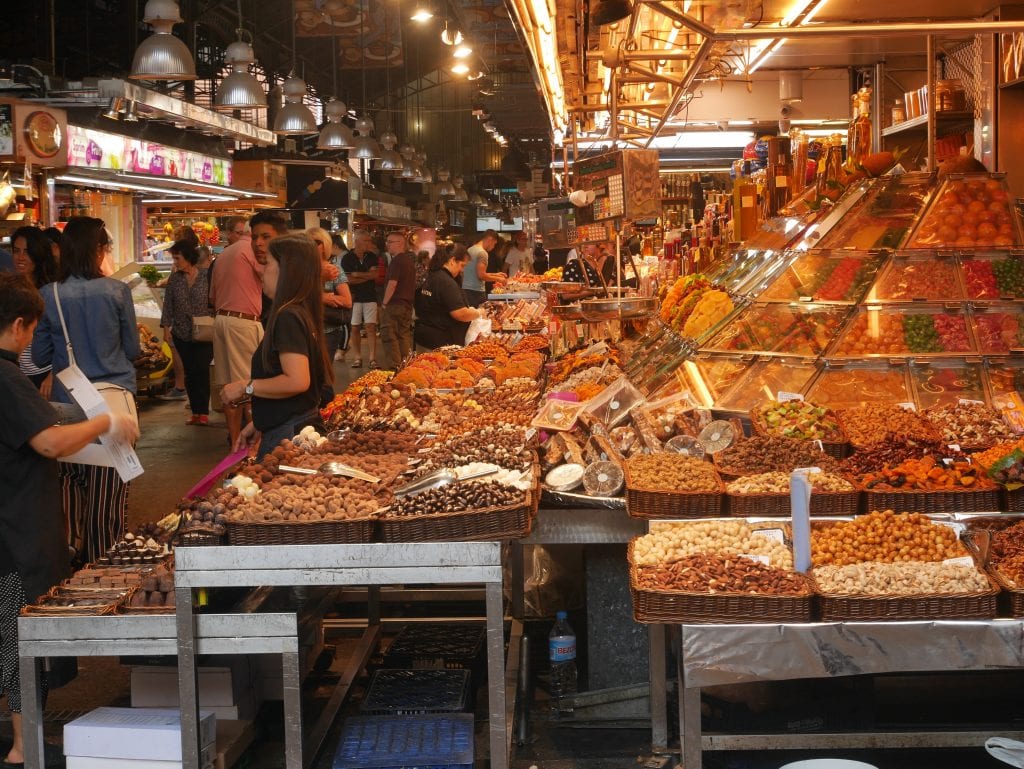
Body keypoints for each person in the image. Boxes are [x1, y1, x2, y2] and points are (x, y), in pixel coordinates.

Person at [0, 273, 139, 768]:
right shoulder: (6, 376)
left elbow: (40, 419)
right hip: (16, 529)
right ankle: (24, 745)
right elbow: (48, 442)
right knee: (20, 637)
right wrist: (104, 422)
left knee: (8, 634)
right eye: (31, 331)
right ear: (19, 326)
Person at [31, 216, 140, 566]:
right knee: (106, 503)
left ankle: (68, 576)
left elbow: (38, 356)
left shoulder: (49, 295)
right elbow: (134, 349)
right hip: (111, 408)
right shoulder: (117, 291)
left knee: (69, 500)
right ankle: (104, 575)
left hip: (67, 410)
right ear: (97, 250)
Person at [221, 235, 333, 460]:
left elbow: (297, 380)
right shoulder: (300, 310)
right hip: (293, 426)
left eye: (268, 263)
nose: (261, 271)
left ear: (286, 270)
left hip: (288, 434)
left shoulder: (288, 316)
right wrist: (261, 422)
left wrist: (245, 387)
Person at [209, 210, 284, 448]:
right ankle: (252, 447)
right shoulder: (250, 251)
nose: (259, 244)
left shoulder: (223, 254)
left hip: (221, 321)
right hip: (243, 322)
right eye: (257, 237)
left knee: (228, 388)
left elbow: (211, 296)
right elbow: (270, 278)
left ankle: (235, 444)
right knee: (249, 387)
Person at [161, 239, 213, 426]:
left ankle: (204, 411)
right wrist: (166, 329)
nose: (175, 262)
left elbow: (215, 299)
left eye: (177, 258)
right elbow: (168, 304)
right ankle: (196, 411)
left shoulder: (207, 275)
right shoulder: (175, 278)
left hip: (204, 332)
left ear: (188, 257)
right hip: (182, 332)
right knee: (190, 372)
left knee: (201, 370)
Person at [11, 226, 58, 396]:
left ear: (38, 255)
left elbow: (65, 335)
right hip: (19, 374)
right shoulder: (12, 287)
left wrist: (53, 376)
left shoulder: (52, 291)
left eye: (27, 252)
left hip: (45, 373)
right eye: (16, 251)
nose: (20, 257)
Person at [414, 244, 487, 350]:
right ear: (453, 260)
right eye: (462, 265)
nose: (462, 270)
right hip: (441, 343)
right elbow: (460, 314)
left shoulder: (431, 274)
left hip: (424, 337)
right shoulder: (446, 282)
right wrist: (478, 312)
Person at [307, 227, 352, 367]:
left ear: (324, 245)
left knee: (323, 375)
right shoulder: (302, 268)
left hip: (327, 331)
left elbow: (347, 301)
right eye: (307, 242)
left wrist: (326, 298)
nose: (311, 246)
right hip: (305, 328)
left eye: (316, 242)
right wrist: (322, 297)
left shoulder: (334, 269)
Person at [340, 229, 380, 369]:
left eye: (369, 240)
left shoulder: (372, 256)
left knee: (371, 326)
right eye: (366, 240)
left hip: (370, 296)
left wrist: (358, 274)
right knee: (355, 327)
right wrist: (365, 275)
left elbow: (374, 275)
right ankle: (358, 357)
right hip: (354, 297)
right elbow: (349, 279)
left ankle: (372, 358)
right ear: (357, 242)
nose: (369, 243)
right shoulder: (347, 258)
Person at [380, 231, 416, 368]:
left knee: (389, 337)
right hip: (407, 305)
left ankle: (394, 368)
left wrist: (384, 303)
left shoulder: (397, 261)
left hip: (394, 304)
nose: (387, 245)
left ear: (400, 243)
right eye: (387, 242)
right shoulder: (408, 261)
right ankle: (406, 366)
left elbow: (392, 284)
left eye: (390, 242)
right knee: (403, 336)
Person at [463, 230, 505, 307]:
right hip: (476, 291)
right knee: (480, 317)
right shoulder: (482, 253)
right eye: (494, 244)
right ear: (490, 240)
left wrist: (496, 275)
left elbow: (475, 273)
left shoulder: (470, 249)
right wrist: (498, 279)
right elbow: (481, 276)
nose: (493, 247)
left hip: (466, 290)